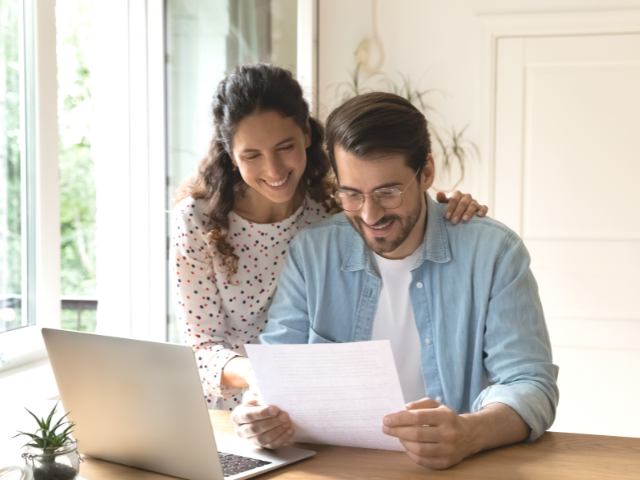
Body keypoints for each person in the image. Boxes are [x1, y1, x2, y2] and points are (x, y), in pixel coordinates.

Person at [230, 92, 559, 470]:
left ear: (427, 173)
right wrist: (256, 417)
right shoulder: (312, 254)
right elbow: (276, 375)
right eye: (352, 194)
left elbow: (529, 383)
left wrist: (470, 433)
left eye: (388, 192)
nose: (370, 214)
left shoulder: (494, 252)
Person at [171, 64, 488, 411]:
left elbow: (391, 200)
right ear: (231, 153)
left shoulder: (332, 208)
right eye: (252, 155)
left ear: (306, 133)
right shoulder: (198, 219)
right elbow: (200, 347)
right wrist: (260, 375)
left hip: (305, 407)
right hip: (231, 406)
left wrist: (447, 207)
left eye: (284, 147)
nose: (274, 170)